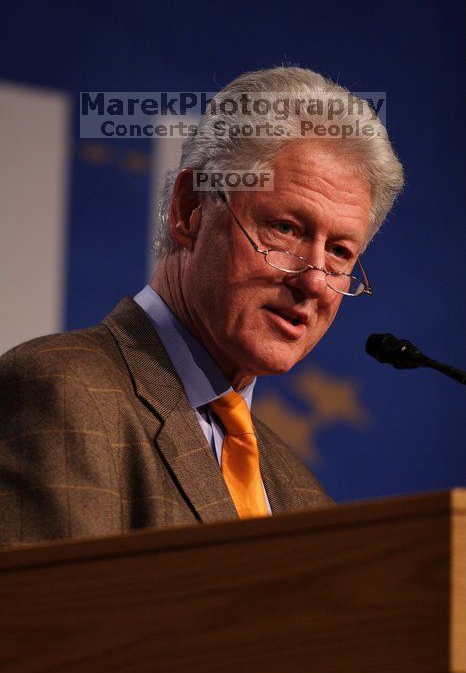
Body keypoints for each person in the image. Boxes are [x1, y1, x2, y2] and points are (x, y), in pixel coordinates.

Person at [0, 67, 404, 546]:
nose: (315, 281)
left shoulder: (302, 494)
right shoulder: (64, 393)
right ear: (189, 210)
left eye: (340, 252)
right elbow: (49, 620)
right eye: (287, 229)